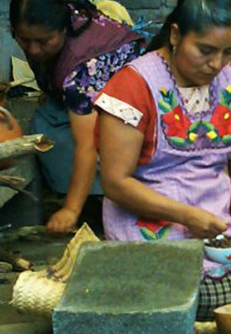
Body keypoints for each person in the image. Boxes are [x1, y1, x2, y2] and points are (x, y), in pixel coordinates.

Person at [94, 0, 231, 320]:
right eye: (206, 50)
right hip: (149, 217)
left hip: (216, 218)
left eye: (228, 52)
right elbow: (115, 183)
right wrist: (187, 217)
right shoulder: (133, 86)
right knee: (181, 294)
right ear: (177, 35)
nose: (217, 64)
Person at [10, 0, 144, 233]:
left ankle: (98, 202)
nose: (32, 50)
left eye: (42, 41)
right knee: (44, 121)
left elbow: (87, 146)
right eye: (24, 40)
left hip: (132, 107)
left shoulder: (81, 70)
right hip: (89, 94)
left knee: (68, 141)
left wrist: (71, 209)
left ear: (64, 29)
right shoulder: (65, 12)